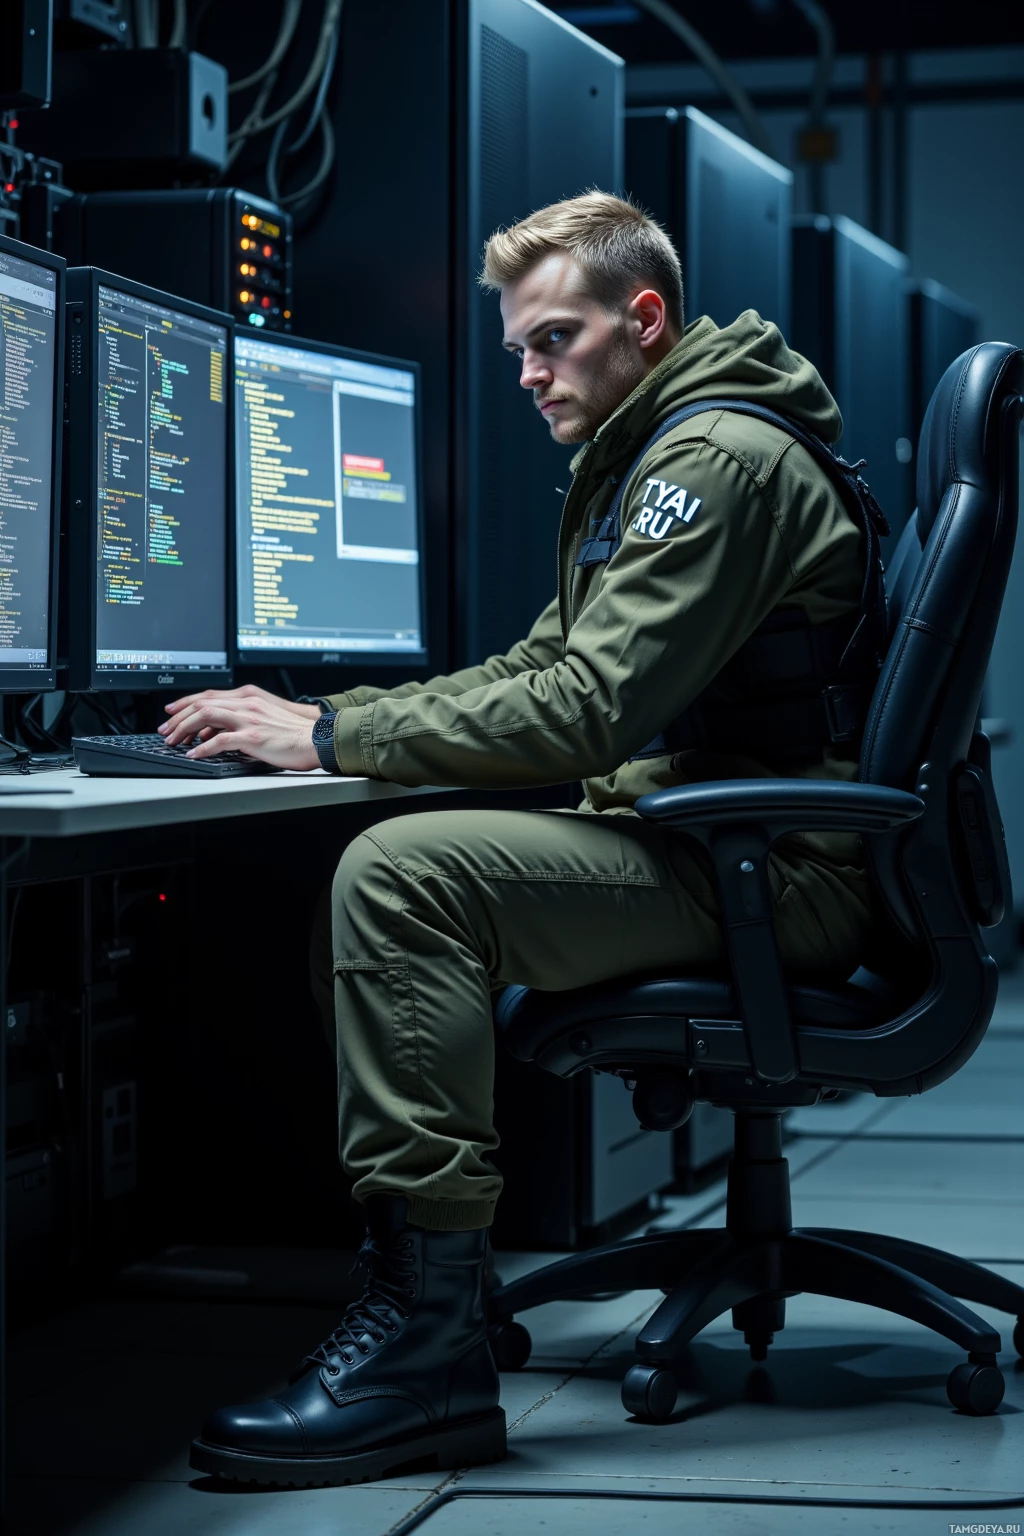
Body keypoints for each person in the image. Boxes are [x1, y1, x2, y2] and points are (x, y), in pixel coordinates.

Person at [173, 192, 879, 1487]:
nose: (529, 373)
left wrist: (329, 740)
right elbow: (554, 665)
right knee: (425, 842)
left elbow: (586, 708)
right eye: (516, 350)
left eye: (553, 340)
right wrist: (341, 719)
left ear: (644, 318)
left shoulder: (708, 461)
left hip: (783, 874)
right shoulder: (664, 442)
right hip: (752, 844)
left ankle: (426, 1354)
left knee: (404, 875)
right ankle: (422, 1312)